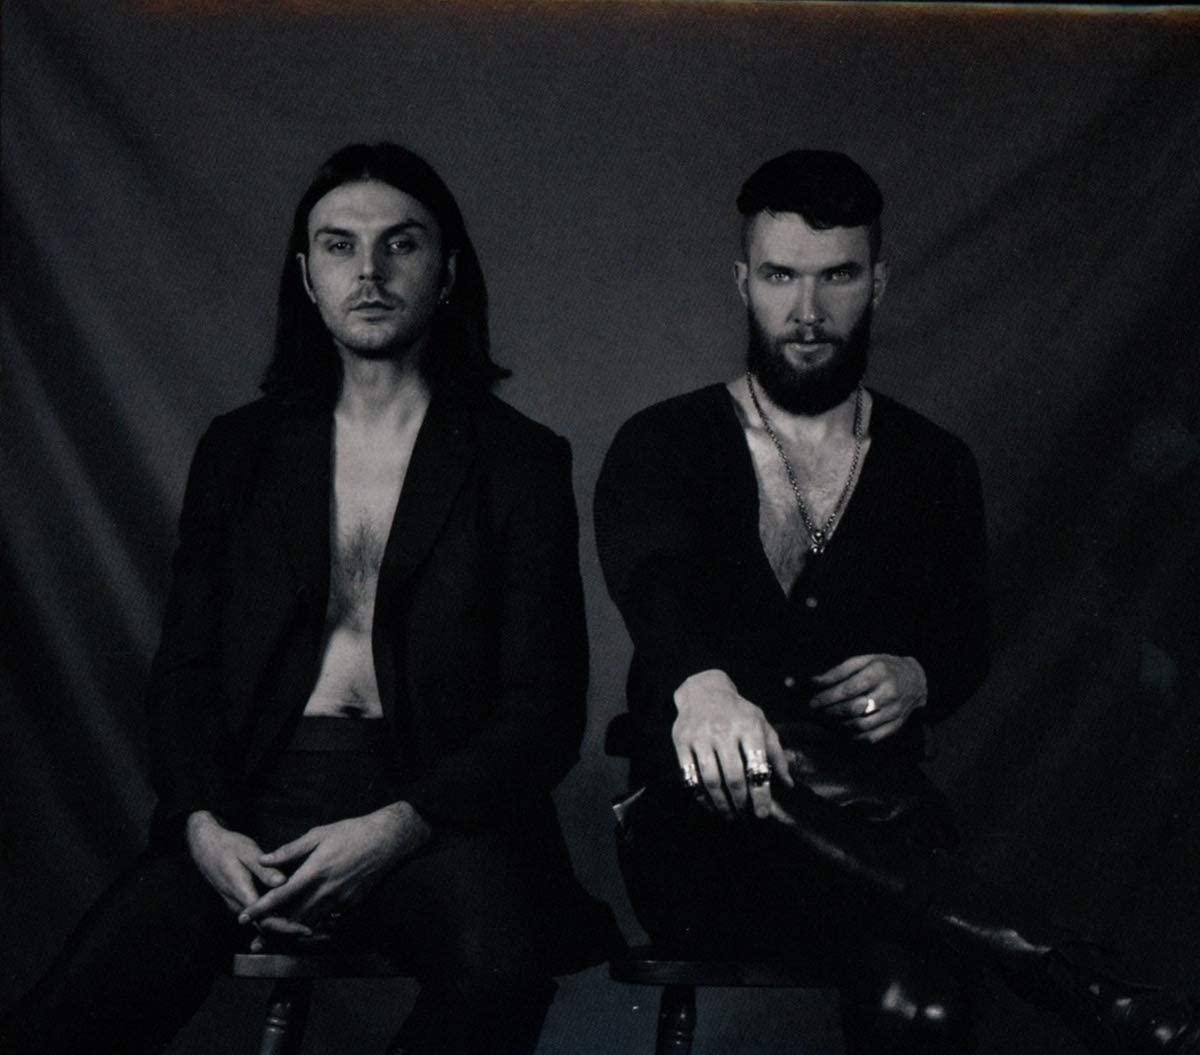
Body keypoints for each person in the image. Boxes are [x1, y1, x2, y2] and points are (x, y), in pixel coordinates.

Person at [3, 141, 615, 1055]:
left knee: (500, 970)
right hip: (252, 802)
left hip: (431, 811)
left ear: (448, 272)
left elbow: (545, 708)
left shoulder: (517, 460)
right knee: (71, 1009)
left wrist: (396, 827)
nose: (369, 271)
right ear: (307, 278)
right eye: (339, 246)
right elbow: (183, 674)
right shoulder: (240, 451)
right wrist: (202, 826)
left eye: (401, 243)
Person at [594, 149, 1198, 1054]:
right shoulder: (664, 442)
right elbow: (653, 578)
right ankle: (1083, 980)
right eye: (780, 276)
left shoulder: (933, 462)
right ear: (743, 282)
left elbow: (964, 637)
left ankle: (1055, 966)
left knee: (923, 1001)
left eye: (836, 276)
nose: (807, 309)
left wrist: (920, 675)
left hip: (875, 866)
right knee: (781, 771)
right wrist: (702, 686)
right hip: (706, 848)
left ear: (876, 282)